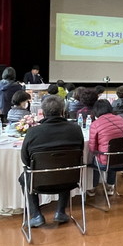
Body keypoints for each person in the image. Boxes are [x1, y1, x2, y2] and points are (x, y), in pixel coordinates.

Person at [20, 95, 84, 227]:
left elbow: (25, 160)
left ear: (43, 113)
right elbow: (80, 152)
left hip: (40, 182)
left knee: (25, 176)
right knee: (65, 166)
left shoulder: (33, 132)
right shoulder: (75, 129)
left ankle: (36, 215)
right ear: (63, 111)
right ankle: (60, 211)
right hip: (70, 179)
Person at [89, 99, 123, 195]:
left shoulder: (95, 124)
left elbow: (92, 149)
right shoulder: (120, 119)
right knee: (113, 153)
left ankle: (93, 187)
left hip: (106, 162)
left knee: (96, 159)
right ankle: (110, 186)